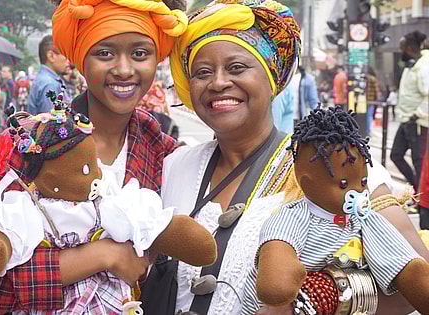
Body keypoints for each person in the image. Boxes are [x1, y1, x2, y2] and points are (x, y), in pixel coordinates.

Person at [162, 0, 429, 314]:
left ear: (272, 78)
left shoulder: (333, 165)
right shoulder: (173, 166)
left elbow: (415, 277)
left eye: (236, 68)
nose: (218, 82)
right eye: (203, 72)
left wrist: (320, 298)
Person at [0, 0, 188, 313]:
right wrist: (105, 256)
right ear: (80, 60)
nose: (123, 69)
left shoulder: (161, 150)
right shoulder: (35, 141)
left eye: (140, 53)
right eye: (104, 53)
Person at [391, 31, 429, 194]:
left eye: (402, 48)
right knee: (396, 155)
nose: (401, 52)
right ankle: (417, 191)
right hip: (406, 120)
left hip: (418, 122)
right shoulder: (411, 65)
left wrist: (417, 114)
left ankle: (421, 198)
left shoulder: (424, 67)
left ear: (411, 48)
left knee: (419, 162)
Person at [28, 35, 71, 115]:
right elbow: (51, 124)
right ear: (51, 56)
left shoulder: (46, 80)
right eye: (66, 55)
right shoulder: (50, 84)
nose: (69, 61)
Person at [366, 66, 381, 137]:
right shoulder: (372, 79)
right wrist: (377, 99)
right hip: (371, 101)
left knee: (363, 116)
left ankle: (364, 130)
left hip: (362, 100)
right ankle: (368, 131)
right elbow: (376, 91)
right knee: (369, 116)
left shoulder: (364, 78)